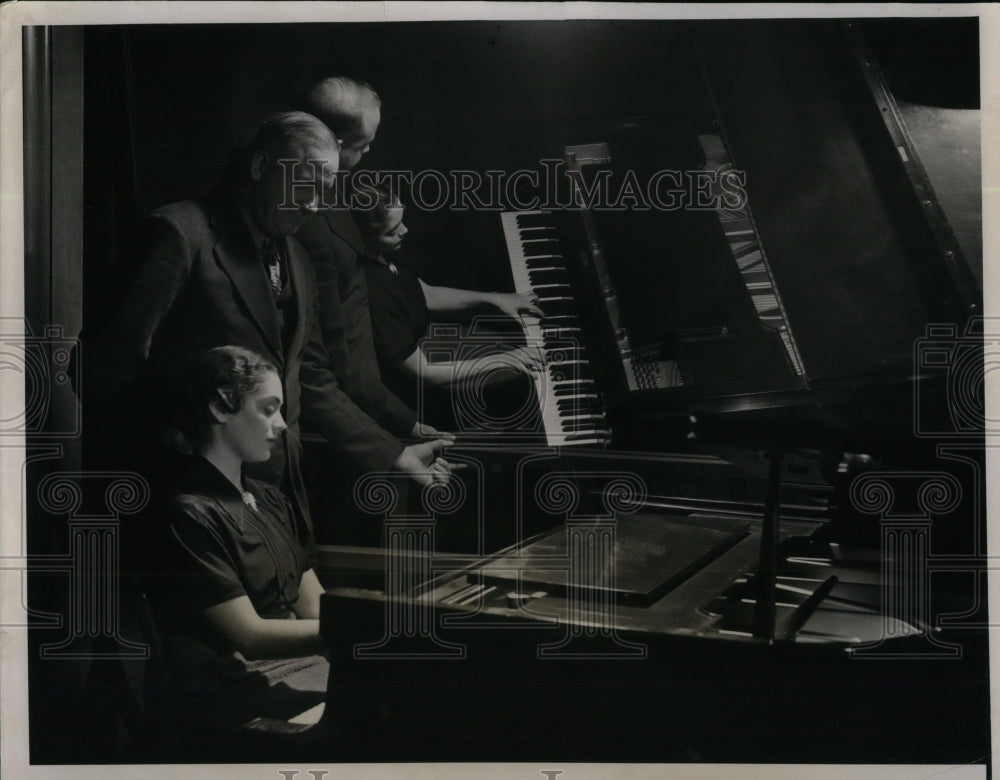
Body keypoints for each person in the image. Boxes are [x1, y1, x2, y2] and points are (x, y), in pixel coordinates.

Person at [81, 111, 456, 544]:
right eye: (305, 185)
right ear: (260, 167)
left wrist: (394, 455)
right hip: (186, 502)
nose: (314, 205)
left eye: (324, 191)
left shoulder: (297, 256)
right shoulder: (178, 234)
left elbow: (312, 379)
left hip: (278, 496)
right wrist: (181, 455)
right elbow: (104, 370)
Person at [145, 346, 330, 751]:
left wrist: (376, 626)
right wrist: (355, 632)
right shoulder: (188, 513)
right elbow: (251, 636)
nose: (281, 424)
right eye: (268, 409)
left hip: (310, 670)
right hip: (238, 693)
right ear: (220, 408)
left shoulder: (270, 500)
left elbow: (316, 606)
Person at [354, 185, 546, 430]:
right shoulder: (375, 295)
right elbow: (425, 373)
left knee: (518, 354)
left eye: (402, 221)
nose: (405, 230)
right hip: (423, 375)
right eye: (392, 231)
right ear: (365, 238)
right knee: (517, 378)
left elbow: (425, 293)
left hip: (431, 339)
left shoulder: (384, 254)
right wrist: (505, 359)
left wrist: (496, 298)